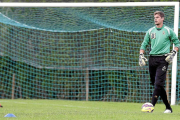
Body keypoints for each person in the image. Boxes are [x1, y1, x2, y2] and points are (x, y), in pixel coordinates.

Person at [139, 11, 180, 113]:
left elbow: (177, 42)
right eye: (154, 17)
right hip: (152, 59)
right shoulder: (150, 31)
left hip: (163, 60)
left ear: (162, 18)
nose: (155, 19)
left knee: (158, 83)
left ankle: (151, 106)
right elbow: (144, 44)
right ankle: (168, 107)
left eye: (157, 17)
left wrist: (174, 52)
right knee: (157, 85)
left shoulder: (168, 31)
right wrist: (141, 55)